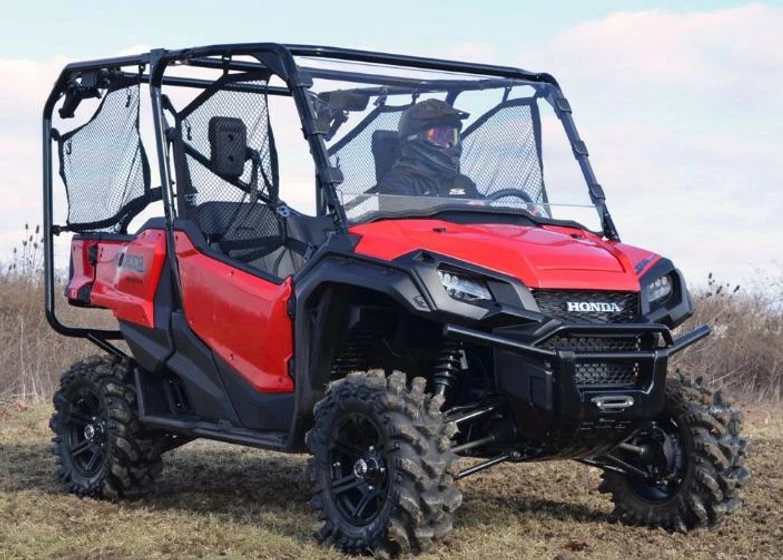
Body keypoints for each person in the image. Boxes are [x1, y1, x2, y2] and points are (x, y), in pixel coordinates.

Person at [378, 99, 480, 200]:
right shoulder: (397, 184)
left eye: (453, 137)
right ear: (415, 139)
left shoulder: (463, 183)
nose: (448, 145)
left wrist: (481, 207)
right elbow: (404, 214)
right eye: (439, 137)